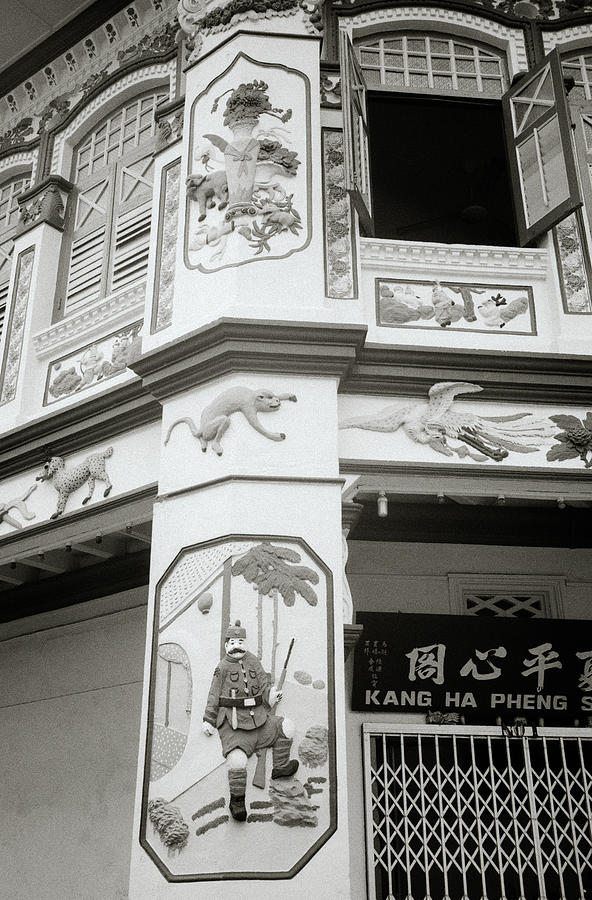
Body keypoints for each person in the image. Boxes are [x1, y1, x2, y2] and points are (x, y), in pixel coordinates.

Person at [202, 620, 298, 821]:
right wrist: (208, 720)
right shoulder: (222, 668)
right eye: (232, 642)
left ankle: (280, 768)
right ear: (227, 645)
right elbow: (213, 694)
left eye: (240, 641)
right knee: (237, 761)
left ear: (244, 642)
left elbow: (263, 683)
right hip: (234, 724)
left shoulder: (253, 661)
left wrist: (270, 696)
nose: (236, 645)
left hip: (260, 720)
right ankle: (237, 801)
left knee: (286, 727)